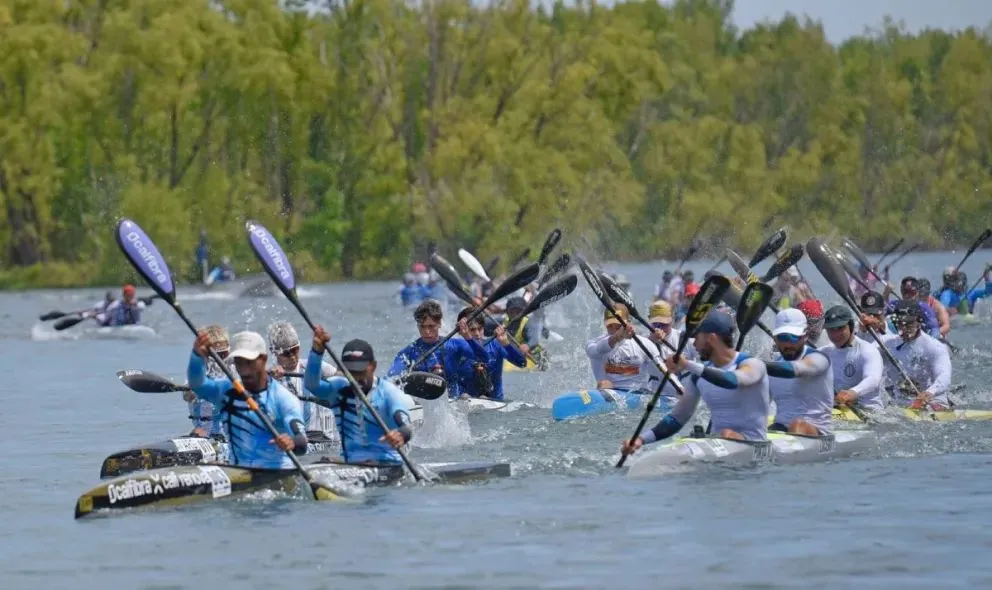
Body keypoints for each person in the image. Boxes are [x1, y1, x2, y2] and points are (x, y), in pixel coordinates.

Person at [620, 311, 770, 455]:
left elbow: (732, 381)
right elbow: (677, 419)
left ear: (712, 338)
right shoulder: (698, 377)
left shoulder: (752, 365)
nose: (694, 345)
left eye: (696, 338)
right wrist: (640, 440)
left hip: (755, 446)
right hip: (718, 445)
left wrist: (687, 364)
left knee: (727, 433)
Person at [187, 330, 307, 469]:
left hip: (277, 472)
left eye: (249, 363)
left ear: (263, 359)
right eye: (239, 363)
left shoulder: (283, 398)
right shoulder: (226, 391)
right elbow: (197, 385)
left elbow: (302, 442)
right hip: (238, 472)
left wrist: (292, 442)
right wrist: (197, 357)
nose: (244, 370)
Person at [305, 329, 414, 465]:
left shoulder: (389, 393)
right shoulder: (338, 390)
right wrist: (317, 352)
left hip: (386, 463)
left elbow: (406, 427)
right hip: (350, 464)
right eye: (351, 371)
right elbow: (311, 384)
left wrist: (400, 434)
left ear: (373, 366)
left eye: (360, 371)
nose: (356, 377)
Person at [386, 300, 485, 397]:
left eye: (431, 326)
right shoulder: (408, 353)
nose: (427, 332)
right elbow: (391, 378)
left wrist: (468, 337)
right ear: (417, 326)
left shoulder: (454, 345)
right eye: (422, 327)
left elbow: (484, 358)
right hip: (422, 403)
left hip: (454, 402)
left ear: (439, 324)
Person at [765, 308, 834, 436]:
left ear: (805, 336)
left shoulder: (819, 359)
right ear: (775, 339)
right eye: (783, 337)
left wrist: (757, 364)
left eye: (794, 337)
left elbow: (797, 369)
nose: (788, 344)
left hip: (816, 431)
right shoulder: (773, 367)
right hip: (780, 428)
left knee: (797, 425)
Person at [267, 322, 338, 442]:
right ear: (274, 352)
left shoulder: (312, 367)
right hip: (290, 437)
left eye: (295, 350)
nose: (292, 357)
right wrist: (270, 379)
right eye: (286, 353)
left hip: (317, 435)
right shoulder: (270, 375)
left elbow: (341, 378)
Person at [879, 300, 953, 410]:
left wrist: (929, 393)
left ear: (919, 322)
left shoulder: (935, 347)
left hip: (932, 402)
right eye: (900, 323)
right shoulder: (886, 343)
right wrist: (863, 331)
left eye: (909, 323)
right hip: (900, 403)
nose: (903, 328)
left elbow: (944, 377)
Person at [585, 304, 664, 395]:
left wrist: (657, 345)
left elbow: (660, 373)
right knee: (604, 384)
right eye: (610, 325)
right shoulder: (593, 343)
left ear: (629, 323)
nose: (614, 329)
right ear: (604, 323)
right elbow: (597, 350)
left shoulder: (645, 343)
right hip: (609, 393)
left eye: (618, 326)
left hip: (640, 394)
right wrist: (617, 337)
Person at [820, 305, 884, 411]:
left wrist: (852, 393)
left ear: (851, 326)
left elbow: (873, 379)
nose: (835, 334)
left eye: (840, 328)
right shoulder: (824, 352)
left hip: (869, 411)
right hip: (840, 409)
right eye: (831, 330)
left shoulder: (868, 350)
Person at [453, 307, 525, 400]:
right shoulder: (455, 348)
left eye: (480, 329)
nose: (477, 334)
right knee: (465, 396)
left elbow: (522, 363)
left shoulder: (495, 345)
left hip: (494, 403)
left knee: (483, 398)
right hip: (464, 401)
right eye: (472, 330)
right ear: (461, 331)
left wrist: (506, 344)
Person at [185, 324, 230, 439]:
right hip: (203, 435)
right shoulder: (198, 377)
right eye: (214, 355)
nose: (219, 360)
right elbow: (186, 396)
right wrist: (191, 393)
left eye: (223, 354)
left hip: (229, 436)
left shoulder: (235, 373)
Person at [504, 296, 545, 366]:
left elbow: (535, 338)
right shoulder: (505, 321)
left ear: (525, 312)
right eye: (512, 311)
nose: (515, 314)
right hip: (518, 355)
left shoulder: (529, 323)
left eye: (518, 311)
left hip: (535, 356)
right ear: (507, 312)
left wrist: (528, 345)